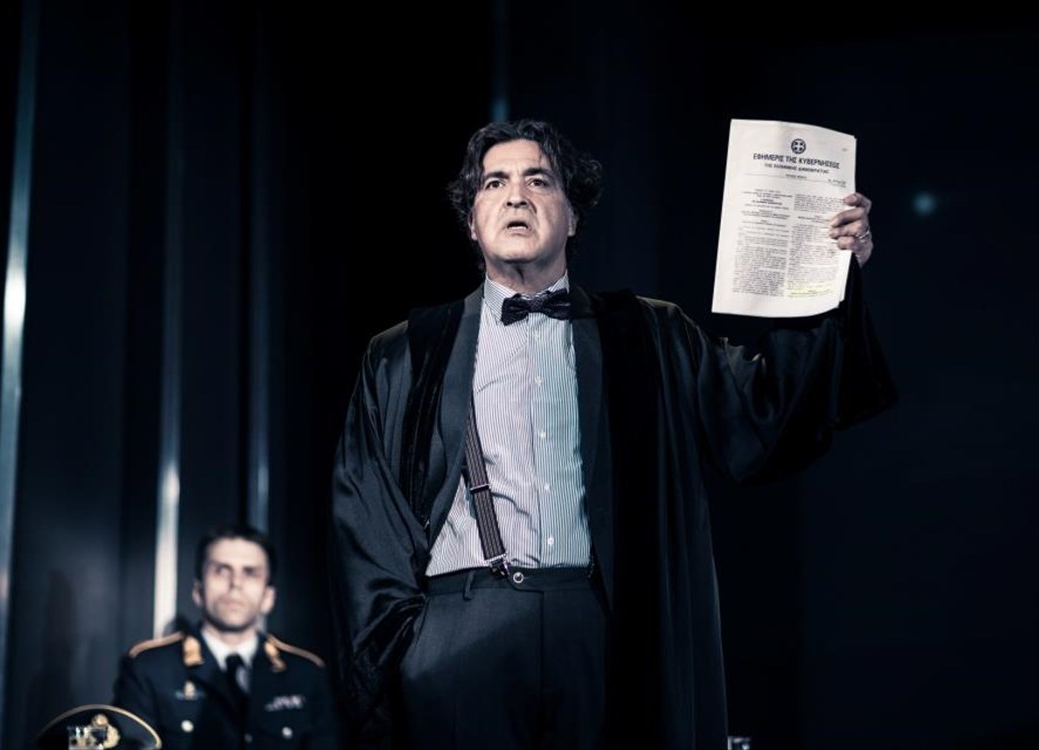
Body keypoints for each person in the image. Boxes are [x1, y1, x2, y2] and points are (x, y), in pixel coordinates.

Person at [329, 118, 896, 749]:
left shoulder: (648, 334)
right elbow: (365, 520)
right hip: (459, 631)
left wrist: (828, 273)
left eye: (538, 180)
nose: (516, 196)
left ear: (573, 216)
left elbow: (763, 413)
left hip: (599, 624)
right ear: (471, 221)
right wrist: (412, 650)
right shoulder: (405, 351)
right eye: (495, 183)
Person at [113, 524, 340, 749]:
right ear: (198, 590)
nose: (235, 584)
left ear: (268, 597)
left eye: (250, 573)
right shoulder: (149, 669)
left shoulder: (306, 674)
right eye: (222, 570)